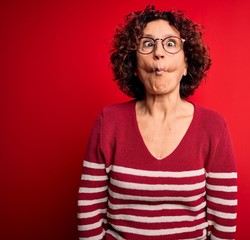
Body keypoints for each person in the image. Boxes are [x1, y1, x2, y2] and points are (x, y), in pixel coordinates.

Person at [77, 5, 238, 240]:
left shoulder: (213, 127)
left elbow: (223, 220)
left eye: (171, 43)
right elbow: (89, 209)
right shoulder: (108, 122)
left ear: (186, 64)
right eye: (148, 44)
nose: (158, 53)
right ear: (133, 65)